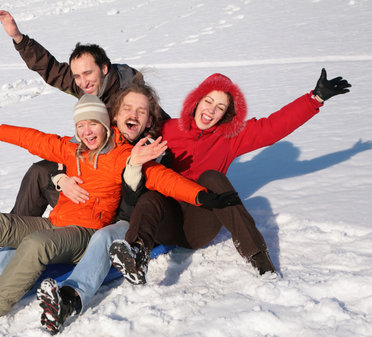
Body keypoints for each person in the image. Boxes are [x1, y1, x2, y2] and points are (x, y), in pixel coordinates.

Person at [0, 94, 232, 325]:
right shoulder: (71, 150)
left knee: (34, 247)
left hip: (85, 235)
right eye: (81, 125)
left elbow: (163, 180)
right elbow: (34, 139)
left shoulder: (123, 156)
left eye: (93, 123)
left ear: (105, 125)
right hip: (54, 223)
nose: (87, 130)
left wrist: (202, 196)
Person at [107, 68, 351, 285]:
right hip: (166, 222)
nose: (211, 110)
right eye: (208, 101)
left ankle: (260, 259)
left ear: (226, 114)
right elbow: (131, 122)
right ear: (196, 101)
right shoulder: (169, 128)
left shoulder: (230, 137)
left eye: (220, 107)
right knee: (150, 197)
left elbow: (273, 127)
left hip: (199, 226)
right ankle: (137, 255)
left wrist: (315, 99)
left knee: (213, 177)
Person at [0, 9, 170, 216]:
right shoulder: (88, 86)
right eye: (77, 75)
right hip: (94, 161)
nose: (83, 81)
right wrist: (18, 38)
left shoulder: (130, 93)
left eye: (87, 73)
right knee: (39, 172)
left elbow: (158, 125)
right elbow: (51, 69)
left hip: (119, 182)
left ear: (104, 68)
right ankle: (10, 237)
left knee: (52, 175)